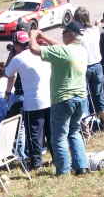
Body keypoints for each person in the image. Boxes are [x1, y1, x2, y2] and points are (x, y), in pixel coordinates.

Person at [29, 21, 89, 176]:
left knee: (59, 137)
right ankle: (82, 166)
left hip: (63, 99)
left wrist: (33, 35)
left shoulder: (63, 51)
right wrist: (44, 37)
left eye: (63, 32)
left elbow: (34, 49)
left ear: (70, 34)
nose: (62, 36)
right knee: (74, 132)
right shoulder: (81, 50)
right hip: (81, 97)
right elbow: (61, 47)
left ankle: (63, 171)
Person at [4, 30, 52, 169]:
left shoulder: (18, 58)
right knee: (51, 132)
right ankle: (57, 158)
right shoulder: (42, 51)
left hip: (32, 102)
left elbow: (8, 73)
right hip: (49, 98)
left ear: (16, 45)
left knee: (34, 135)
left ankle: (36, 163)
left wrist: (12, 55)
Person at [74, 7, 104, 130]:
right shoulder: (95, 30)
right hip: (97, 65)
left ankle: (86, 128)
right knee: (99, 96)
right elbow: (96, 25)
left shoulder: (78, 35)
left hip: (84, 67)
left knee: (84, 97)